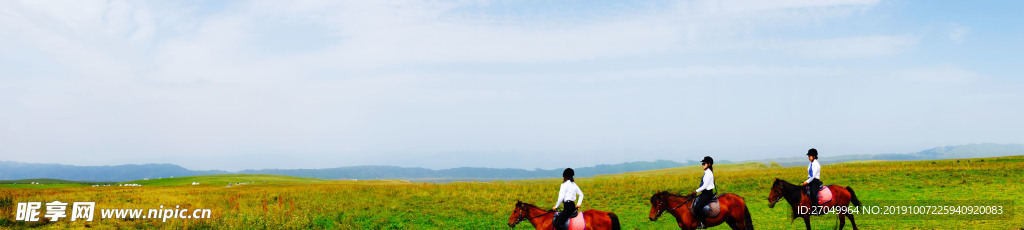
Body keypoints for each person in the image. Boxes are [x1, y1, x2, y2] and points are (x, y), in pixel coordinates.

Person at [692, 156, 715, 229]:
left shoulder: (709, 173)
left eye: (704, 163)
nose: (702, 165)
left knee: (697, 207)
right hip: (704, 193)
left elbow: (705, 186)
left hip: (708, 194)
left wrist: (696, 191)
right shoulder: (706, 172)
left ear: (708, 164)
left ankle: (703, 223)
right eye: (702, 163)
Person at [801, 148, 822, 214]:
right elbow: (809, 174)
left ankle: (817, 209)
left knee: (813, 194)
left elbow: (813, 176)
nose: (809, 157)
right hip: (810, 180)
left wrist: (807, 182)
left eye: (810, 156)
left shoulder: (816, 164)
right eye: (808, 156)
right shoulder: (810, 163)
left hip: (815, 181)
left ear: (814, 156)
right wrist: (806, 181)